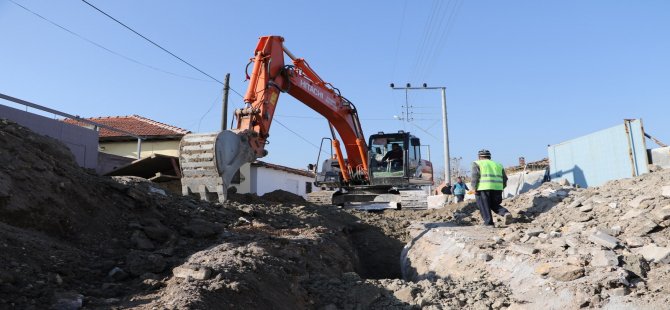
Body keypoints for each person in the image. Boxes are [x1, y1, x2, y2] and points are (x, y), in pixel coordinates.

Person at [471, 149, 513, 226]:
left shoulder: (477, 163)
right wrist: (502, 187)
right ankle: (505, 213)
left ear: (479, 156)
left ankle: (488, 223)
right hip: (497, 188)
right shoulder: (498, 164)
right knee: (494, 204)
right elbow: (505, 178)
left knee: (484, 206)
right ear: (489, 156)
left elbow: (475, 176)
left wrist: (474, 188)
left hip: (483, 188)